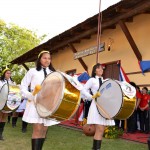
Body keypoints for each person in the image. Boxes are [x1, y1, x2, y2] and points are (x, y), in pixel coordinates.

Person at [20, 50, 59, 150]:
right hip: (35, 103)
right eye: (44, 58)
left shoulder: (53, 74)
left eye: (49, 58)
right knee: (37, 129)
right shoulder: (32, 71)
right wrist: (29, 95)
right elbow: (23, 86)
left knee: (44, 130)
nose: (47, 60)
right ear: (39, 59)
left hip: (47, 105)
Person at [81, 63, 115, 150]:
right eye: (99, 68)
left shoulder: (105, 81)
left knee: (101, 130)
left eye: (102, 69)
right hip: (96, 105)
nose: (101, 70)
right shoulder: (92, 80)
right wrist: (91, 96)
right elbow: (83, 90)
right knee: (99, 128)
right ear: (95, 70)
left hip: (104, 106)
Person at [0, 68, 15, 140]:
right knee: (0, 117)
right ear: (4, 74)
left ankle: (0, 134)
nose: (9, 74)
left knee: (4, 118)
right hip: (1, 101)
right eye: (7, 73)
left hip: (8, 102)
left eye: (10, 73)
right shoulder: (0, 81)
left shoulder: (12, 82)